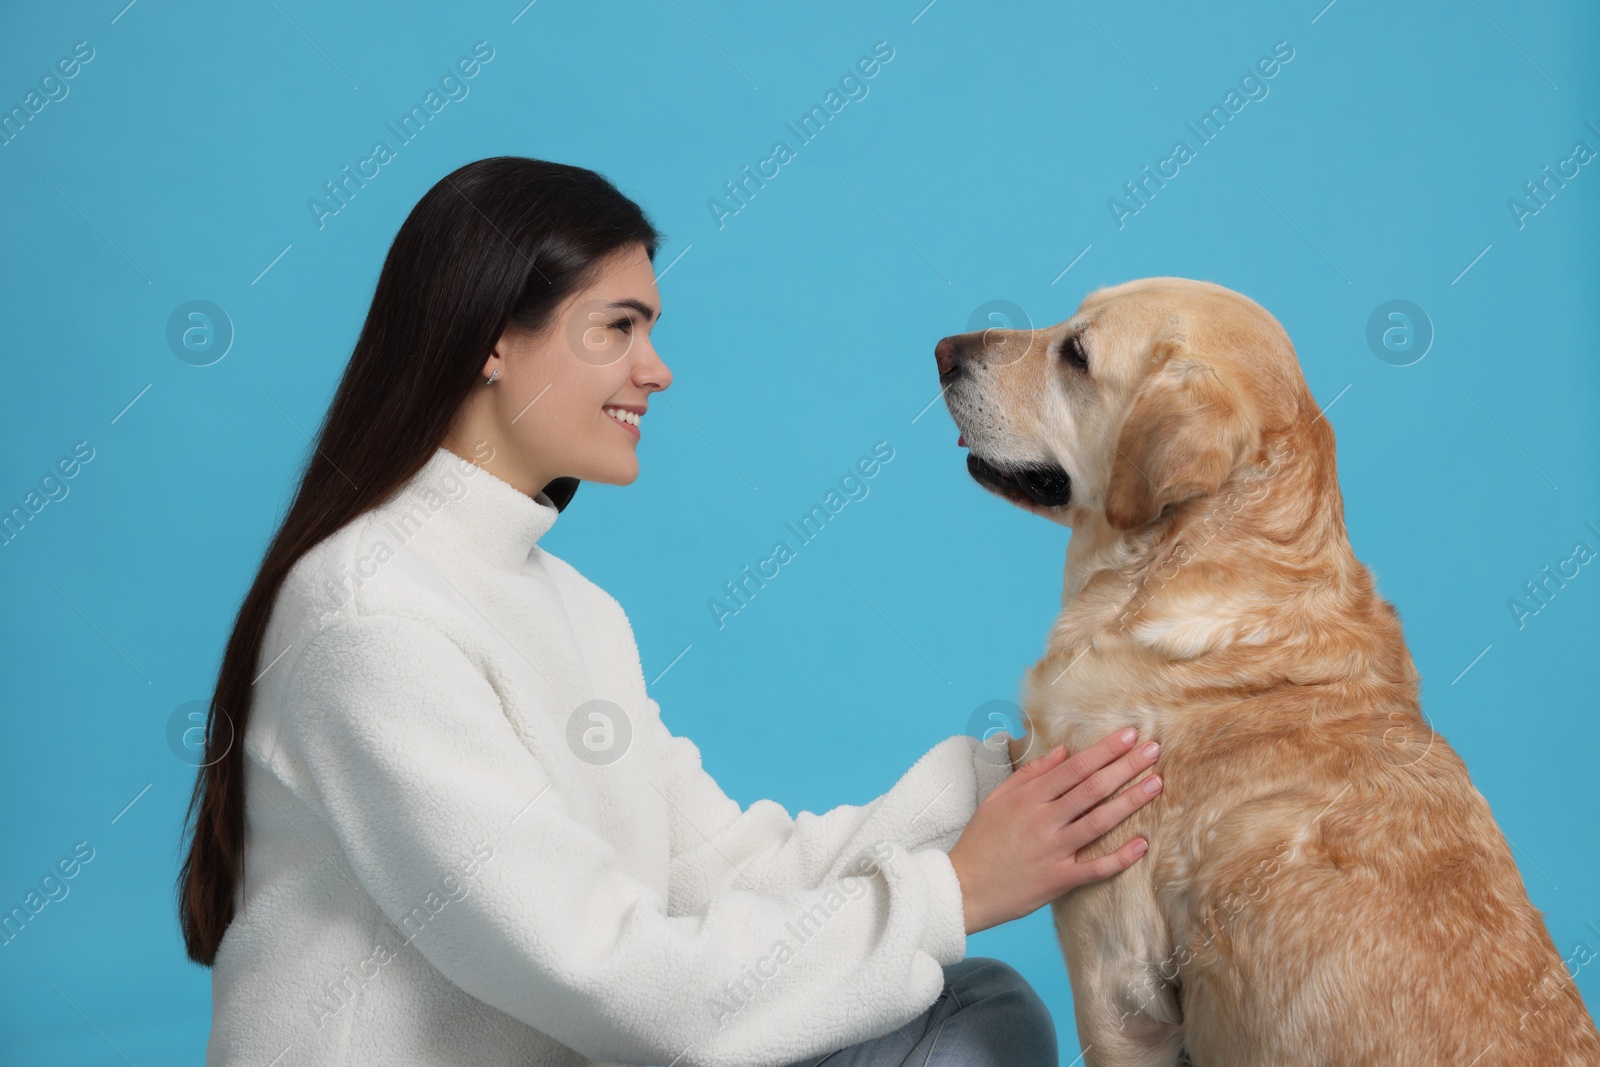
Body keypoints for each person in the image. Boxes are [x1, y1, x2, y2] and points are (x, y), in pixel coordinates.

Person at [177, 156, 1164, 1067]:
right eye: (617, 327)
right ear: (491, 341)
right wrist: (955, 891)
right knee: (958, 1035)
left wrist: (1013, 776)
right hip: (599, 1030)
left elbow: (712, 873)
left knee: (975, 1012)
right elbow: (608, 976)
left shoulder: (575, 609)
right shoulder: (372, 617)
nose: (657, 368)